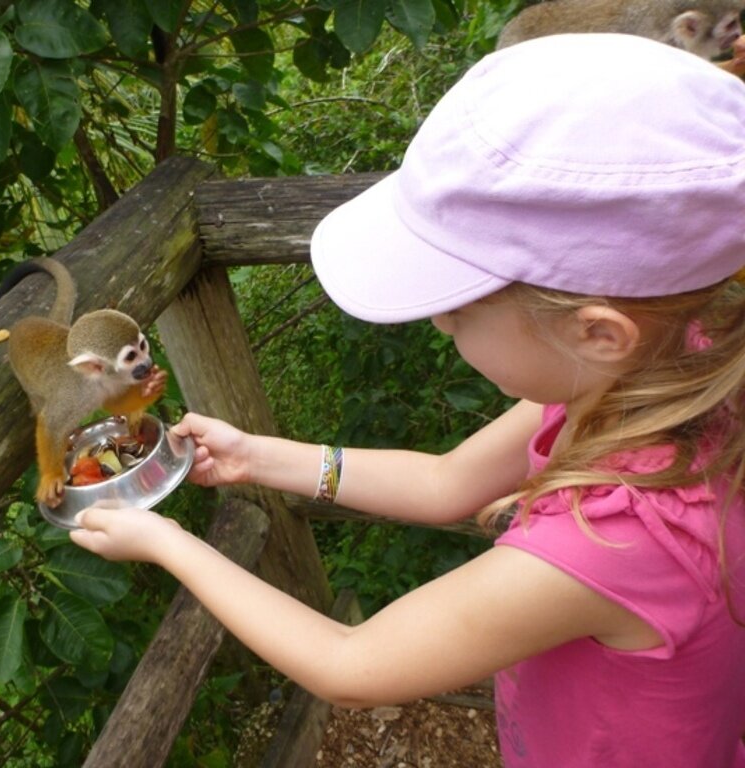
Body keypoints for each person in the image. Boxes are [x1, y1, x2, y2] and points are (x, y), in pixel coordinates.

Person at [70, 33, 745, 767]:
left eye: (454, 310)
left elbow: (351, 666)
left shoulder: (620, 537)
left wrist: (168, 543)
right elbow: (446, 483)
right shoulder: (666, 369)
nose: (437, 320)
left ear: (598, 332)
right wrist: (256, 456)